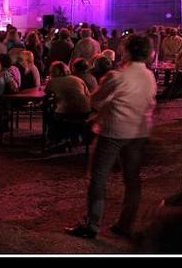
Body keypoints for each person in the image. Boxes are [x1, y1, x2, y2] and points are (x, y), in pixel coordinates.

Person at [67, 33, 157, 241]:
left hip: (114, 131)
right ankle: (126, 224)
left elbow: (94, 101)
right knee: (132, 179)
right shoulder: (149, 75)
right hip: (139, 131)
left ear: (127, 51)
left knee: (98, 177)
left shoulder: (117, 77)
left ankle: (92, 224)